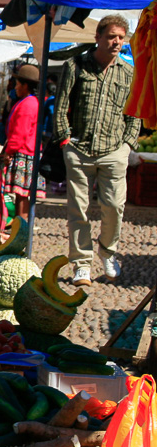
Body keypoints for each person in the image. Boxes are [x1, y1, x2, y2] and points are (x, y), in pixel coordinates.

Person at [54, 15, 139, 286]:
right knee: (78, 209)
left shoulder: (128, 73)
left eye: (121, 37)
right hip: (79, 148)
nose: (117, 42)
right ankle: (81, 263)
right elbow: (60, 106)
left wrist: (128, 144)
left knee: (114, 206)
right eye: (112, 36)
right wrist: (64, 139)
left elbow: (133, 112)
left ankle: (107, 251)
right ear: (98, 37)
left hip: (114, 149)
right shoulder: (76, 65)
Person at [0, 64, 42, 220]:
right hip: (26, 151)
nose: (15, 87)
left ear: (25, 85)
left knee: (22, 195)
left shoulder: (28, 105)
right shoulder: (30, 102)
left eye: (17, 84)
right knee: (22, 195)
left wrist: (9, 151)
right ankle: (20, 225)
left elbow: (20, 133)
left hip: (24, 153)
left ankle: (21, 225)